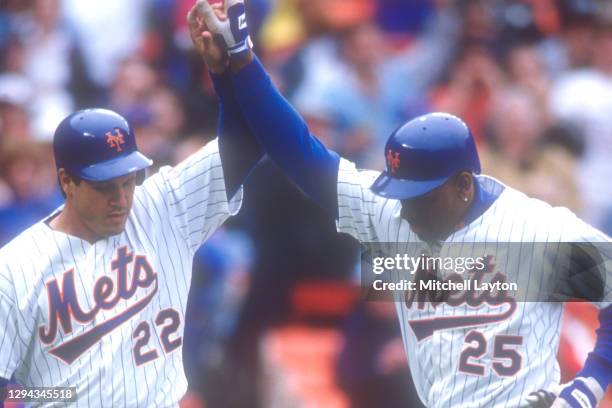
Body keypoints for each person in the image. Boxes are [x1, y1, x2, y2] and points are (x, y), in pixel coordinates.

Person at [189, 1, 611, 407]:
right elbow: (299, 153)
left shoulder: (537, 230)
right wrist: (242, 62)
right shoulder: (391, 215)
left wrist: (586, 389)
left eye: (419, 196)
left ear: (463, 184)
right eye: (401, 192)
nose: (406, 207)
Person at [0, 34, 262, 406]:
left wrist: (230, 65)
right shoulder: (14, 268)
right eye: (105, 187)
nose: (121, 199)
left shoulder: (164, 204)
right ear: (66, 182)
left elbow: (250, 137)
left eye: (129, 181)